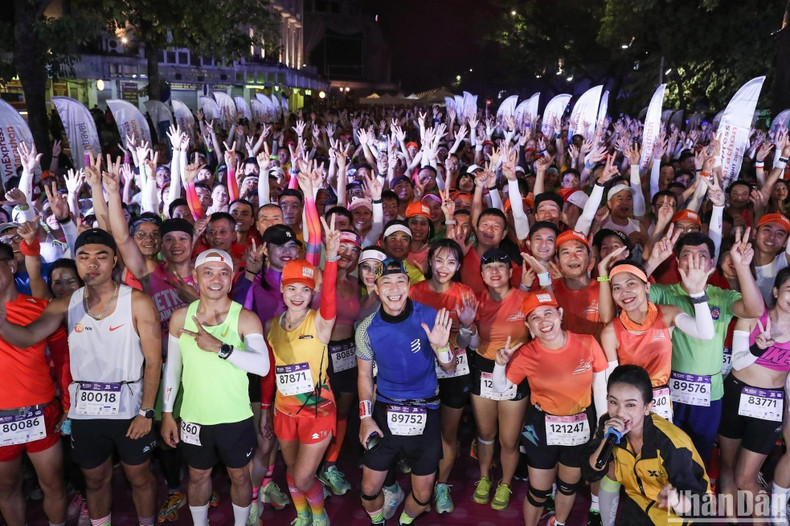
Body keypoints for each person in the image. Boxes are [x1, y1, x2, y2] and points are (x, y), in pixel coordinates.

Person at [0, 228, 162, 526]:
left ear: (114, 260)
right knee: (95, 480)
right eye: (84, 257)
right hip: (85, 411)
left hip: (130, 408)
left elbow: (153, 362)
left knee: (139, 477)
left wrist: (146, 412)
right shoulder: (65, 303)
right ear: (76, 261)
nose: (93, 264)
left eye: (101, 256)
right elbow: (25, 338)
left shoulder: (137, 301)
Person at [161, 248, 270, 526]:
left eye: (223, 273)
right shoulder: (180, 318)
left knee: (240, 476)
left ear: (232, 279)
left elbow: (263, 366)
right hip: (194, 418)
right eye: (208, 272)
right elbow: (172, 369)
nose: (216, 279)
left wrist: (220, 348)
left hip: (236, 418)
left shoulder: (245, 317)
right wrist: (167, 413)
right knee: (197, 476)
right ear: (196, 277)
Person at [645, 230, 764, 462]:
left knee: (699, 458)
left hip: (709, 394)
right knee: (665, 455)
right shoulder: (663, 292)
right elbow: (631, 292)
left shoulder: (722, 296)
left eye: (702, 255)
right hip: (669, 393)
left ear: (711, 263)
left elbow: (755, 310)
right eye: (687, 255)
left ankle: (694, 497)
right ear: (677, 261)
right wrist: (652, 262)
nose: (694, 261)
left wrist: (741, 267)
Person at [492, 292, 608, 526]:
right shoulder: (526, 353)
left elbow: (600, 388)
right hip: (541, 428)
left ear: (560, 314)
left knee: (567, 486)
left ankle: (559, 523)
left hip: (580, 424)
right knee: (538, 492)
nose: (543, 321)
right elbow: (502, 390)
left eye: (548, 313)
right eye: (534, 317)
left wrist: (602, 428)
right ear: (528, 324)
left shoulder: (588, 343)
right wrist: (499, 365)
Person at [356, 258, 455, 526]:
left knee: (423, 496)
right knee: (368, 491)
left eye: (400, 281)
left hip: (428, 409)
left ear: (409, 285)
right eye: (386, 282)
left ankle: (404, 522)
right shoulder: (366, 329)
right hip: (385, 410)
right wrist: (366, 418)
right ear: (376, 288)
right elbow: (364, 375)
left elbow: (449, 365)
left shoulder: (430, 316)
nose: (394, 288)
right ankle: (378, 521)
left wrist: (442, 348)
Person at [265, 216, 341, 526]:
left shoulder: (321, 322)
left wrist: (332, 258)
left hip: (317, 411)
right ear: (282, 290)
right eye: (292, 288)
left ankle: (320, 514)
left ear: (312, 294)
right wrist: (267, 410)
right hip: (284, 411)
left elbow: (331, 295)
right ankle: (302, 514)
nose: (298, 295)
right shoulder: (273, 324)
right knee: (290, 470)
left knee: (303, 475)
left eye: (305, 290)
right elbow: (272, 373)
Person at [583, 365, 711, 525]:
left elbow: (702, 508)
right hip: (640, 504)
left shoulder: (670, 444)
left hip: (680, 517)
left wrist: (676, 500)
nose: (619, 412)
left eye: (630, 405)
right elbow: (590, 473)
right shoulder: (607, 425)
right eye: (613, 402)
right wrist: (605, 440)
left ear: (647, 407)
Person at [0, 241, 71, 526]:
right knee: (6, 488)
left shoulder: (42, 309)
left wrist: (68, 405)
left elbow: (64, 361)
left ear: (10, 266)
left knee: (53, 484)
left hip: (41, 412)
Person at [408, 239, 477, 514]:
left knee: (448, 433)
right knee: (423, 433)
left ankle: (442, 484)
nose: (444, 267)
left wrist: (468, 326)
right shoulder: (414, 291)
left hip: (455, 370)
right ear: (430, 262)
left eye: (451, 262)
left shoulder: (465, 293)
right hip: (421, 369)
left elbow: (463, 343)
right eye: (438, 260)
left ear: (458, 265)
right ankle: (421, 489)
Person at [600, 259, 716, 421]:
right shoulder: (610, 332)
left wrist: (697, 293)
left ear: (647, 287)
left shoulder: (668, 314)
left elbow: (705, 333)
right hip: (628, 408)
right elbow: (610, 382)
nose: (624, 292)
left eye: (631, 284)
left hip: (661, 403)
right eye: (617, 288)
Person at [719, 267, 790, 521]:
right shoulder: (752, 318)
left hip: (770, 405)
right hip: (736, 396)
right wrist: (758, 349)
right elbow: (737, 363)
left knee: (745, 477)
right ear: (775, 291)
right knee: (727, 467)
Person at [462, 248, 530, 511]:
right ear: (481, 274)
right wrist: (468, 326)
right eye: (488, 267)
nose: (494, 271)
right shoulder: (474, 301)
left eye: (500, 267)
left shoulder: (525, 299)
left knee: (509, 440)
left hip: (515, 370)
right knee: (485, 434)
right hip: (484, 369)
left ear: (511, 272)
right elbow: (469, 343)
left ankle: (505, 481)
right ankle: (483, 478)